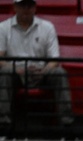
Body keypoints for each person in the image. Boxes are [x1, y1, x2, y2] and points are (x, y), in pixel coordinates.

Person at [0, 0, 73, 129]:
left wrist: (44, 70)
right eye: (22, 5)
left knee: (59, 73)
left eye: (30, 5)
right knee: (4, 73)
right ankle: (3, 124)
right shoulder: (3, 28)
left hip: (41, 70)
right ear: (15, 7)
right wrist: (15, 69)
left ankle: (67, 124)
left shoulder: (47, 27)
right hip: (15, 72)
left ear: (35, 7)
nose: (26, 9)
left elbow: (54, 59)